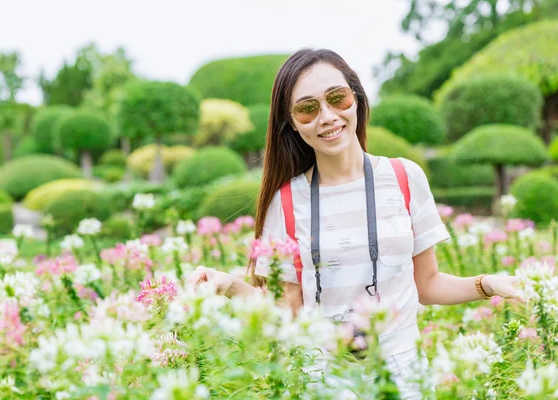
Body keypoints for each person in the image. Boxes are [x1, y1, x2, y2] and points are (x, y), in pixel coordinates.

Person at [187, 48, 524, 399]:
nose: (328, 116)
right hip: (324, 383)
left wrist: (490, 284)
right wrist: (229, 286)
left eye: (338, 98)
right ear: (291, 122)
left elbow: (428, 284)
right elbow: (287, 314)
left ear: (357, 99)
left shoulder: (405, 177)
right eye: (308, 108)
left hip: (405, 379)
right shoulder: (286, 202)